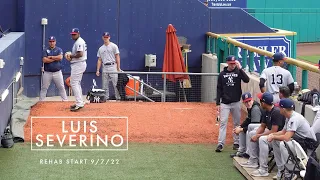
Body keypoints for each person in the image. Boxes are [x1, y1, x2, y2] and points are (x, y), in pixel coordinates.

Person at [267, 98, 316, 179]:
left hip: (308, 147)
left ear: (283, 109)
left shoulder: (294, 118)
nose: (278, 108)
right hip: (300, 142)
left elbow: (286, 137)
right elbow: (283, 132)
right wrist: (272, 135)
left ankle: (289, 173)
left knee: (283, 144)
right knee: (276, 141)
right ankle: (281, 169)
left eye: (279, 107)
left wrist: (273, 136)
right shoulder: (288, 116)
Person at [241, 92, 286, 178]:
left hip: (278, 137)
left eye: (261, 101)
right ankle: (253, 161)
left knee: (262, 139)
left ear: (264, 103)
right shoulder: (266, 111)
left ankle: (263, 169)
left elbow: (273, 131)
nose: (260, 102)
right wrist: (255, 134)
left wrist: (258, 136)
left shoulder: (275, 112)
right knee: (252, 133)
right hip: (272, 135)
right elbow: (262, 126)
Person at [215, 55, 250, 152]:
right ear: (227, 63)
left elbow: (247, 80)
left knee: (237, 123)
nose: (233, 65)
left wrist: (241, 68)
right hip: (225, 103)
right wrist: (218, 102)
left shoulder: (238, 71)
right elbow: (219, 89)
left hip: (236, 102)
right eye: (231, 63)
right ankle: (220, 143)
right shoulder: (222, 74)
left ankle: (236, 142)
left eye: (234, 63)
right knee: (223, 123)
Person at [230, 92, 265, 158]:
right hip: (258, 127)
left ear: (252, 99)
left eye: (249, 101)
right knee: (242, 129)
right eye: (246, 102)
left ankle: (248, 153)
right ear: (243, 103)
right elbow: (248, 120)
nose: (248, 103)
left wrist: (241, 129)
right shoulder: (250, 108)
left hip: (261, 129)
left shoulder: (255, 109)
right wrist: (240, 127)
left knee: (248, 131)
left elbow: (254, 126)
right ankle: (241, 151)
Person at [65, 28, 87, 111]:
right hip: (79, 64)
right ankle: (80, 101)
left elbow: (80, 54)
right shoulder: (79, 41)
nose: (73, 35)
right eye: (72, 34)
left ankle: (79, 103)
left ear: (78, 34)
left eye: (75, 34)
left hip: (78, 64)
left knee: (73, 83)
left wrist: (71, 56)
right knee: (77, 83)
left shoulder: (79, 42)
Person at [40, 36, 68, 101]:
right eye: (50, 41)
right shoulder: (45, 50)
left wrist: (51, 57)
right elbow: (44, 60)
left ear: (55, 42)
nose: (52, 43)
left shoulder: (59, 49)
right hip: (47, 72)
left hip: (57, 72)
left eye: (53, 41)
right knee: (44, 87)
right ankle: (41, 102)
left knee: (61, 87)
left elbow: (60, 57)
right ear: (48, 42)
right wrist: (55, 59)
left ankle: (65, 101)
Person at [96, 32, 121, 100]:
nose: (105, 38)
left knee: (115, 84)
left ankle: (118, 98)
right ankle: (105, 99)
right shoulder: (101, 48)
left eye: (107, 37)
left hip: (113, 66)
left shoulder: (114, 46)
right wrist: (98, 70)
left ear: (109, 37)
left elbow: (117, 57)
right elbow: (99, 60)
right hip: (105, 67)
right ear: (102, 38)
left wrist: (118, 67)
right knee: (104, 85)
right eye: (104, 37)